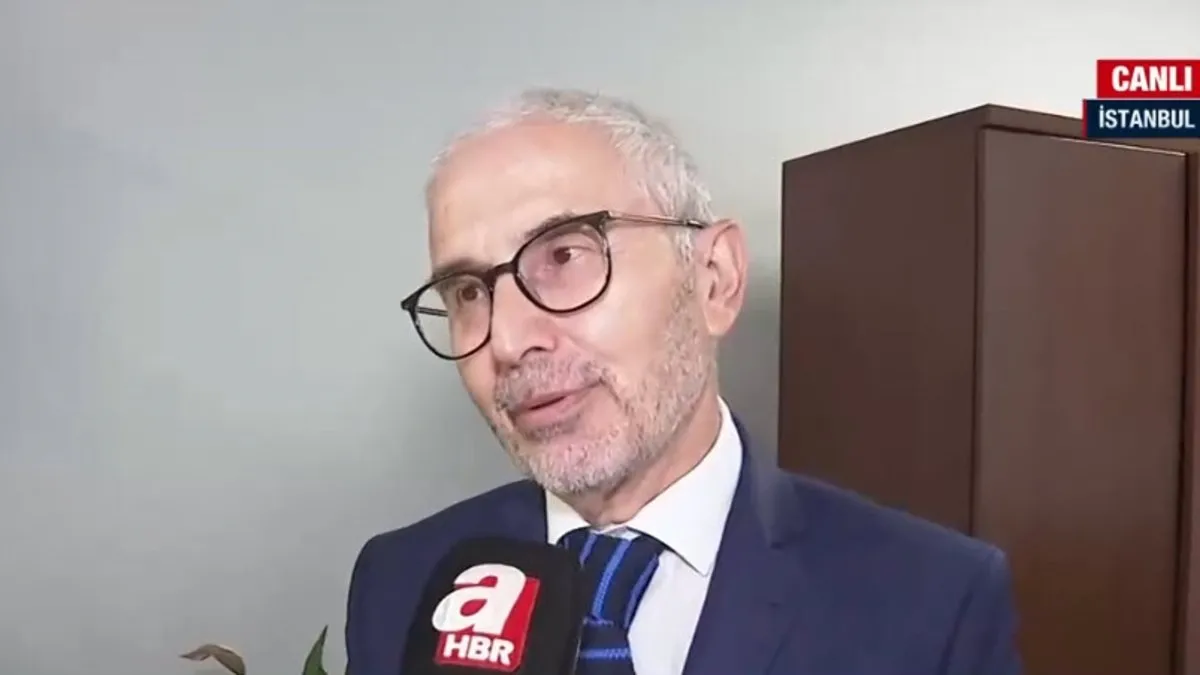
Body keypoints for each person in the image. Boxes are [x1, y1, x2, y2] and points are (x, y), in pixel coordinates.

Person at [344, 88, 1023, 675]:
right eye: (468, 291)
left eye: (565, 255)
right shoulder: (400, 581)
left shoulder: (935, 601)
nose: (511, 340)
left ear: (715, 279)